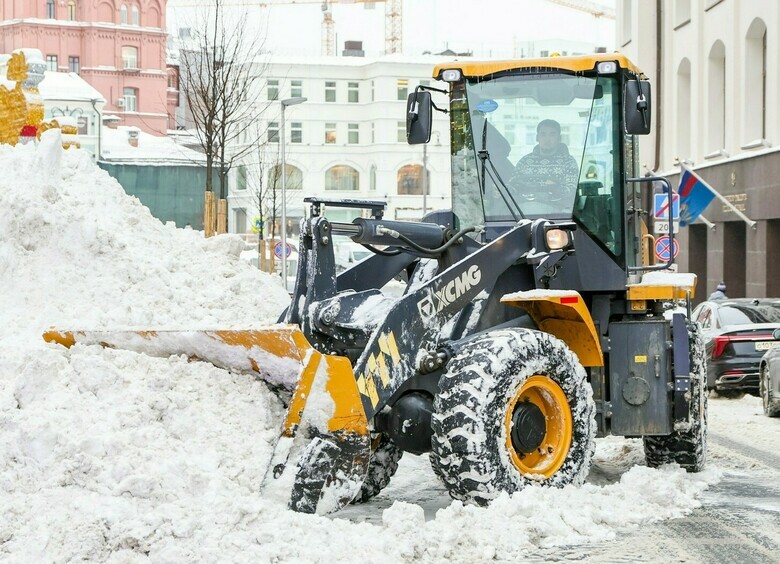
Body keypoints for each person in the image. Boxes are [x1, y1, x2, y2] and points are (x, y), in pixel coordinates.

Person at [511, 119, 579, 200]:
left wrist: (557, 189)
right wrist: (501, 190)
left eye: (552, 134)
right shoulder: (525, 161)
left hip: (557, 209)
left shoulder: (568, 162)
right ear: (537, 138)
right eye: (543, 134)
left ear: (559, 138)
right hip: (523, 207)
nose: (547, 139)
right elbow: (513, 185)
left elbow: (572, 191)